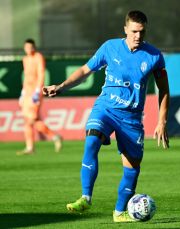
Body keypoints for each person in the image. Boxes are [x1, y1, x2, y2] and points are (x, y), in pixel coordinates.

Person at [42, 10, 170, 222]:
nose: (138, 36)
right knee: (92, 140)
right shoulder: (109, 47)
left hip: (131, 118)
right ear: (125, 30)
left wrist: (161, 120)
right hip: (106, 109)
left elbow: (164, 90)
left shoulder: (154, 56)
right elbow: (84, 71)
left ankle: (120, 213)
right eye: (134, 31)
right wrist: (62, 86)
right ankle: (86, 197)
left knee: (132, 170)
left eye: (142, 32)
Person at [17, 39, 62, 155]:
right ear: (24, 48)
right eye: (27, 47)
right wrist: (23, 91)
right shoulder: (25, 59)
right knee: (28, 121)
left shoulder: (38, 57)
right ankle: (31, 146)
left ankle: (52, 137)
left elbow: (41, 73)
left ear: (34, 47)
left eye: (31, 47)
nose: (29, 49)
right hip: (27, 92)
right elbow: (26, 76)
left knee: (31, 120)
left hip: (35, 92)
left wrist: (38, 90)